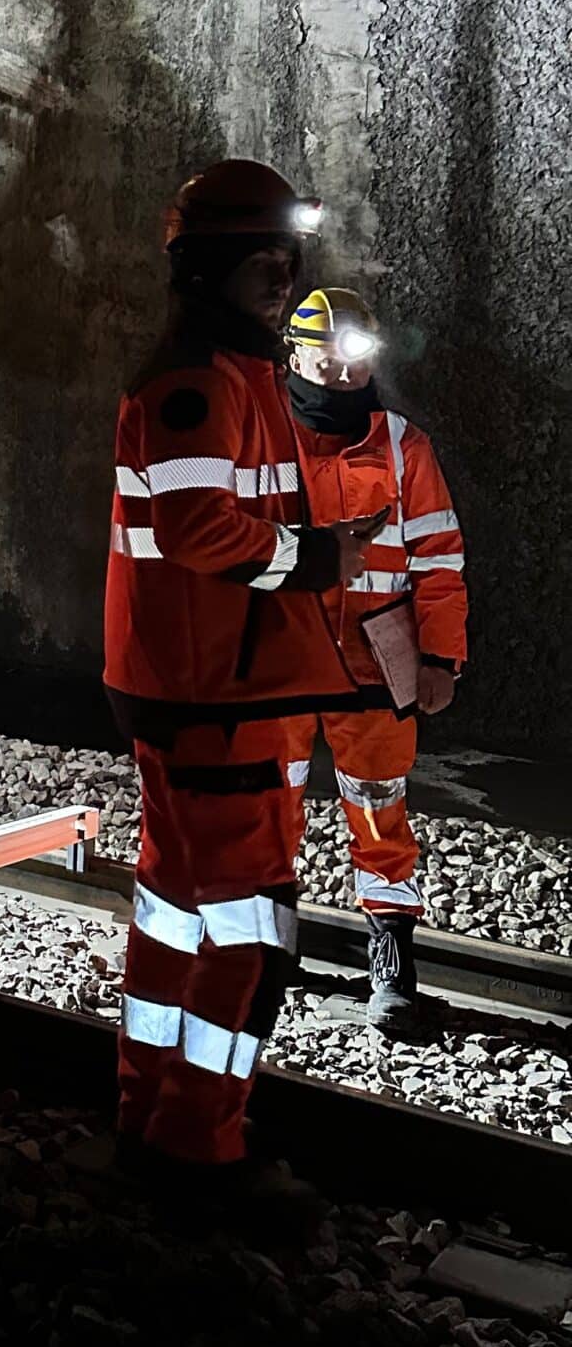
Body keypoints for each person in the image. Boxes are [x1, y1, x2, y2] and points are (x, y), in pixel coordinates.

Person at [104, 161, 387, 1192]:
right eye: (264, 259)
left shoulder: (237, 375)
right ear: (209, 267)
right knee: (253, 935)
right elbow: (197, 527)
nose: (283, 278)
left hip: (213, 693)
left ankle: (148, 1121)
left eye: (288, 258)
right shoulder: (195, 387)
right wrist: (316, 558)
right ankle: (201, 1149)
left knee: (177, 914)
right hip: (213, 696)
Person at [285, 286, 467, 1037]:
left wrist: (443, 660)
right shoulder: (261, 435)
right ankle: (268, 943)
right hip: (282, 664)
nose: (339, 374)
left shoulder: (401, 445)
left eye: (353, 359)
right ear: (292, 354)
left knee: (379, 805)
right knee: (269, 806)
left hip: (374, 662)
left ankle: (391, 956)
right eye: (324, 360)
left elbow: (439, 559)